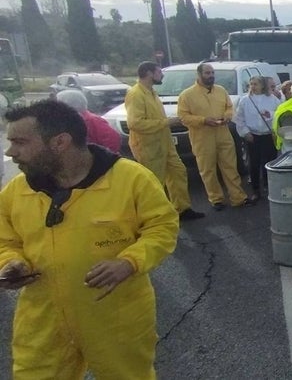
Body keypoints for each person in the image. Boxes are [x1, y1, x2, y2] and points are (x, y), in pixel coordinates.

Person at [0, 100, 179, 379]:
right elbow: (5, 240)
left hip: (115, 318)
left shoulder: (130, 179)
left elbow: (162, 226)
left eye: (20, 142)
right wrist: (11, 263)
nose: (11, 152)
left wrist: (129, 262)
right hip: (41, 320)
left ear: (60, 142)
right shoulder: (17, 190)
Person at [125, 61, 205, 221]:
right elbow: (134, 123)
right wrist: (167, 122)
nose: (162, 75)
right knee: (154, 183)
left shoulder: (151, 92)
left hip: (165, 144)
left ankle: (182, 209)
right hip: (148, 147)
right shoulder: (136, 94)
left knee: (178, 172)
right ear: (149, 73)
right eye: (159, 72)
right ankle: (154, 217)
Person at [177, 63, 254, 211]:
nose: (211, 76)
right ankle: (216, 199)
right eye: (207, 73)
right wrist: (203, 120)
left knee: (230, 166)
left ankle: (238, 197)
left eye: (212, 73)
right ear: (199, 75)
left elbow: (229, 107)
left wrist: (226, 116)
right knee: (208, 169)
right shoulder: (187, 95)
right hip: (202, 137)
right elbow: (183, 117)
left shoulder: (221, 90)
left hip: (223, 134)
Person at [235, 75, 281, 201]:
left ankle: (270, 187)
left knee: (270, 162)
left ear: (262, 85)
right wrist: (245, 133)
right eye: (251, 84)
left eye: (256, 84)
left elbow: (280, 112)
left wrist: (270, 114)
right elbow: (239, 118)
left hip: (268, 134)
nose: (253, 86)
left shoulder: (272, 99)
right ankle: (256, 190)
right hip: (253, 136)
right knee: (254, 163)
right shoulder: (245, 100)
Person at [55, 89, 121, 154]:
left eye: (59, 104)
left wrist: (103, 158)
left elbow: (112, 139)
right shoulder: (65, 120)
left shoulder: (93, 120)